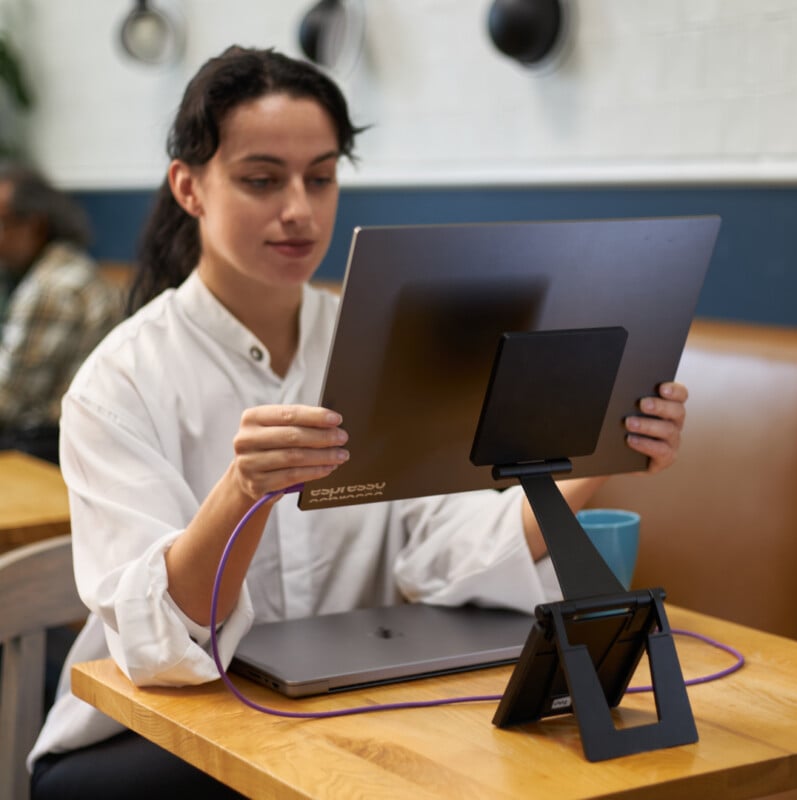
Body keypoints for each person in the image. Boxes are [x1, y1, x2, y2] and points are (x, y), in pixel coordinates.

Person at [28, 46, 688, 799]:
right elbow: (161, 652)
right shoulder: (119, 383)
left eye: (321, 176)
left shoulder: (376, 339)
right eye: (261, 179)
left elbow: (443, 548)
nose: (300, 211)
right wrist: (241, 491)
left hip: (339, 710)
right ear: (189, 187)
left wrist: (603, 450)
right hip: (151, 734)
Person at [0, 163, 123, 463]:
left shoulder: (50, 289)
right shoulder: (69, 266)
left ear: (36, 225)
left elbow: (9, 401)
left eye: (2, 222)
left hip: (54, 445)